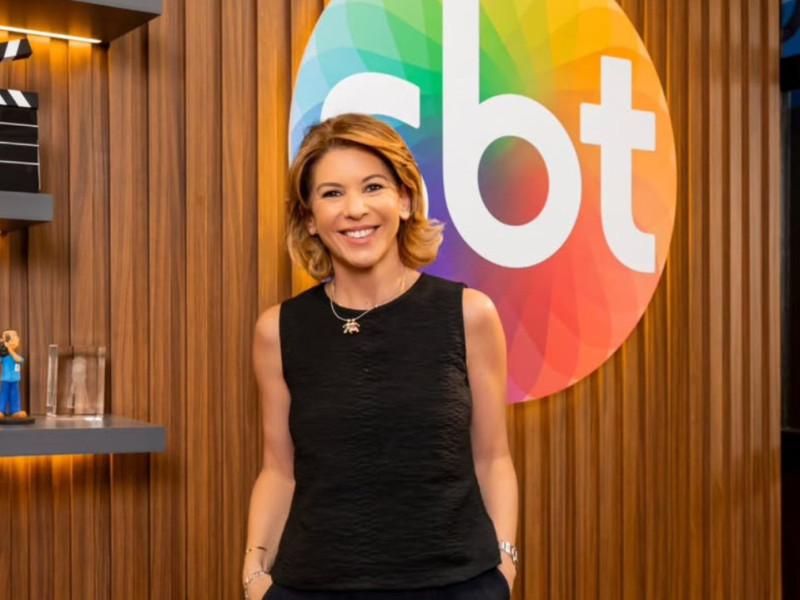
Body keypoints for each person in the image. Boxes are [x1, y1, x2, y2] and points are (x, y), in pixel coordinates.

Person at [242, 113, 519, 600]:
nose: (355, 209)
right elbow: (279, 470)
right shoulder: (278, 330)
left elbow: (493, 457)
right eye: (332, 193)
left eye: (373, 187)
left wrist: (505, 565)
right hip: (313, 587)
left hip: (457, 587)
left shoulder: (469, 314)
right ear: (309, 218)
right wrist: (254, 574)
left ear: (405, 200)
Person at [0, 329, 26, 418]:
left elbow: (18, 360)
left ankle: (15, 411)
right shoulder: (4, 357)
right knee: (3, 396)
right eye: (14, 337)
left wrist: (9, 348)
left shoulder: (16, 356)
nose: (18, 339)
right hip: (5, 380)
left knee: (15, 396)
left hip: (15, 380)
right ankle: (1, 410)